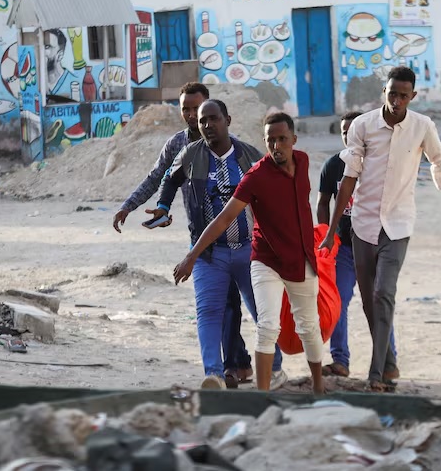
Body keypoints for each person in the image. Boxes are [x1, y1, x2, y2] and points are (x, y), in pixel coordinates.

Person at [320, 66, 441, 392]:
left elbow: (440, 165)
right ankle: (389, 365)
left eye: (403, 95)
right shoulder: (363, 125)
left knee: (384, 293)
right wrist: (331, 231)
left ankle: (376, 373)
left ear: (412, 96)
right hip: (362, 224)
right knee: (370, 301)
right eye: (392, 94)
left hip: (398, 224)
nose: (397, 100)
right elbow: (348, 179)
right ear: (384, 92)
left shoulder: (422, 127)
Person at [113, 83, 258, 387]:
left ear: (215, 110)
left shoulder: (238, 150)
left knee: (235, 303)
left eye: (200, 110)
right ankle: (227, 368)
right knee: (214, 305)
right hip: (203, 237)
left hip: (239, 239)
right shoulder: (180, 146)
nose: (194, 117)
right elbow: (159, 178)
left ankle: (237, 363)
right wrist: (136, 206)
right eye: (187, 110)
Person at [174, 112, 325, 395]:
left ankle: (319, 387)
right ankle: (262, 393)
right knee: (267, 325)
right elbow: (222, 219)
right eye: (271, 140)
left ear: (294, 140)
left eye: (282, 139)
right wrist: (192, 256)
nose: (277, 146)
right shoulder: (255, 176)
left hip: (300, 259)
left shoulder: (303, 162)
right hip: (265, 260)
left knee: (309, 327)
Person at [152, 100, 285, 390]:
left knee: (263, 312)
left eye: (213, 119)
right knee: (208, 312)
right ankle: (212, 374)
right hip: (209, 254)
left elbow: (276, 195)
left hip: (251, 251)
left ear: (228, 119)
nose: (207, 125)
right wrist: (163, 206)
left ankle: (275, 369)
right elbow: (169, 180)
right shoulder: (190, 154)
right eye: (202, 121)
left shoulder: (250, 156)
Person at [317, 111, 396, 378]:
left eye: (353, 130)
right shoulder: (332, 165)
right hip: (345, 250)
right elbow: (322, 203)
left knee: (378, 302)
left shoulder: (379, 164)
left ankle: (387, 362)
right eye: (343, 131)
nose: (348, 135)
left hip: (374, 247)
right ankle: (340, 361)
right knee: (337, 302)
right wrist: (327, 235)